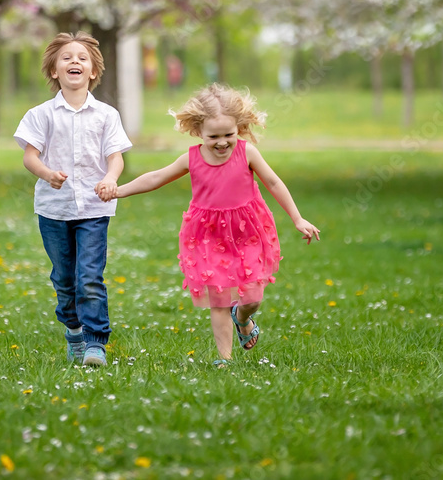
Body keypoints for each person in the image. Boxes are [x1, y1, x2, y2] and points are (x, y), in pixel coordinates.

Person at [108, 84, 320, 366]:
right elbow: (156, 177)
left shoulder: (248, 153)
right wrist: (119, 190)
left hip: (248, 232)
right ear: (198, 132)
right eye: (214, 136)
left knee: (252, 297)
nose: (222, 142)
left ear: (239, 128)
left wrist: (297, 217)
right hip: (207, 235)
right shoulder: (191, 158)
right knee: (218, 299)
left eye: (229, 134)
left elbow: (273, 182)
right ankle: (225, 359)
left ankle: (243, 319)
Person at [14, 32, 133, 367]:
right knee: (64, 279)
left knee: (90, 276)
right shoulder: (41, 114)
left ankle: (96, 342)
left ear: (93, 71)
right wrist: (47, 173)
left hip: (95, 208)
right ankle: (73, 331)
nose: (75, 62)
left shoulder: (107, 115)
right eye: (66, 57)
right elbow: (30, 155)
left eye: (82, 58)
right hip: (54, 209)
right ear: (54, 71)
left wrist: (110, 178)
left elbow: (116, 156)